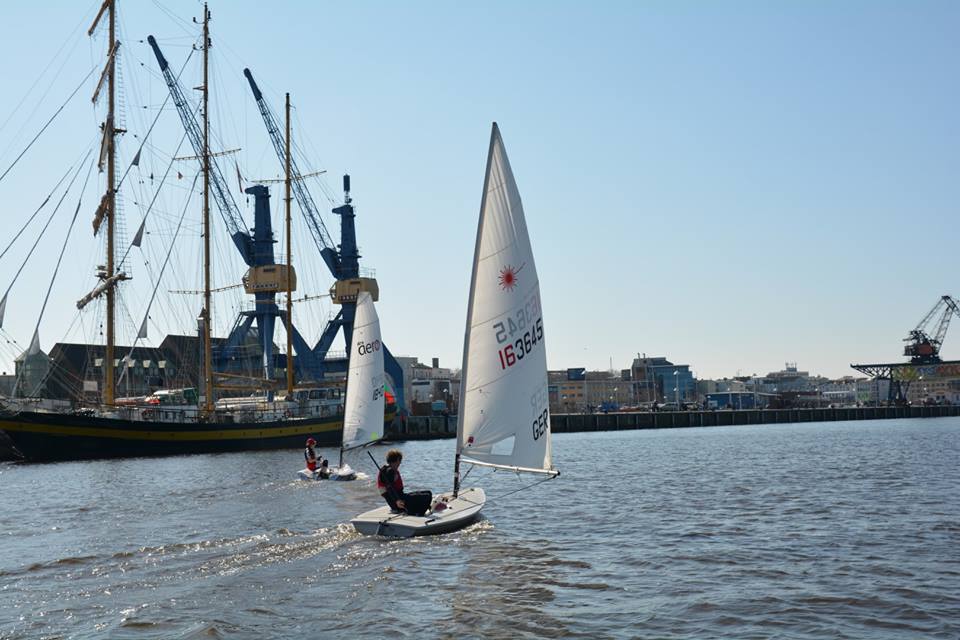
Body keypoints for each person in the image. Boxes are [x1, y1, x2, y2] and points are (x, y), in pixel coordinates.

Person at [377, 449, 432, 516]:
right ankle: (417, 514)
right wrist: (397, 501)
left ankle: (415, 510)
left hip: (400, 498)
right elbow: (389, 489)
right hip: (400, 503)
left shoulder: (386, 470)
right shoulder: (390, 472)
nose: (400, 463)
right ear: (397, 460)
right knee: (427, 496)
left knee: (428, 492)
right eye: (400, 460)